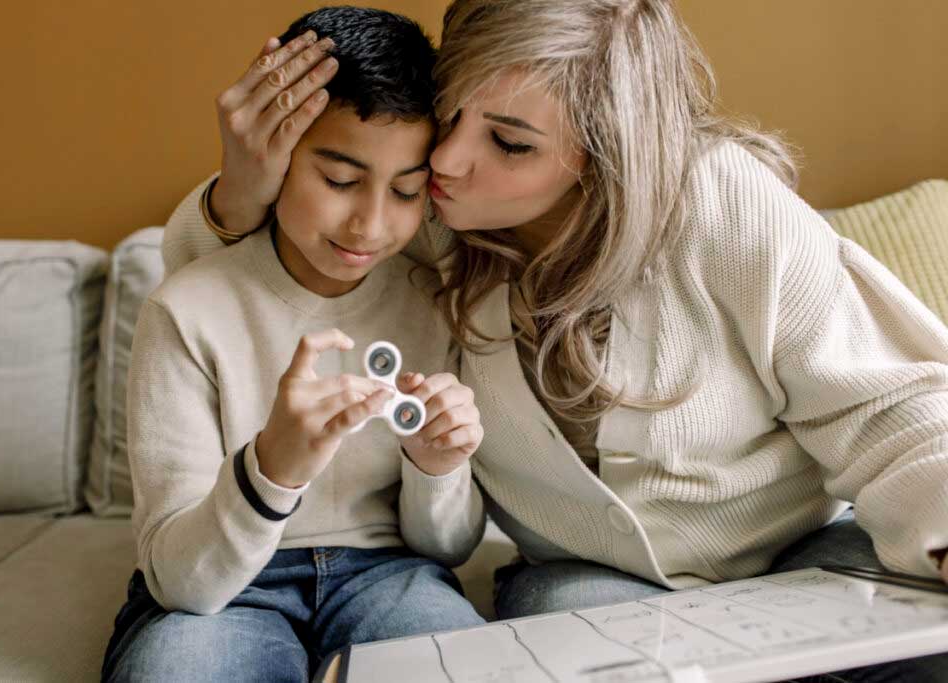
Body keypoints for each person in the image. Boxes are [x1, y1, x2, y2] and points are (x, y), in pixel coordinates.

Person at [163, 0, 948, 679]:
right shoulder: (423, 217)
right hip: (586, 581)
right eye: (452, 111)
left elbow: (888, 407)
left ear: (606, 153)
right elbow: (240, 301)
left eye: (510, 143)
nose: (446, 159)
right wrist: (242, 184)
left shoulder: (719, 197)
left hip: (795, 557)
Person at [100, 7, 487, 683]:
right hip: (227, 588)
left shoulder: (433, 297)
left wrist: (435, 466)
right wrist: (272, 467)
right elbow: (181, 581)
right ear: (275, 159)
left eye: (405, 190)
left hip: (388, 574)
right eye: (339, 181)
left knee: (477, 667)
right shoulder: (187, 312)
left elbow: (448, 546)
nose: (370, 224)